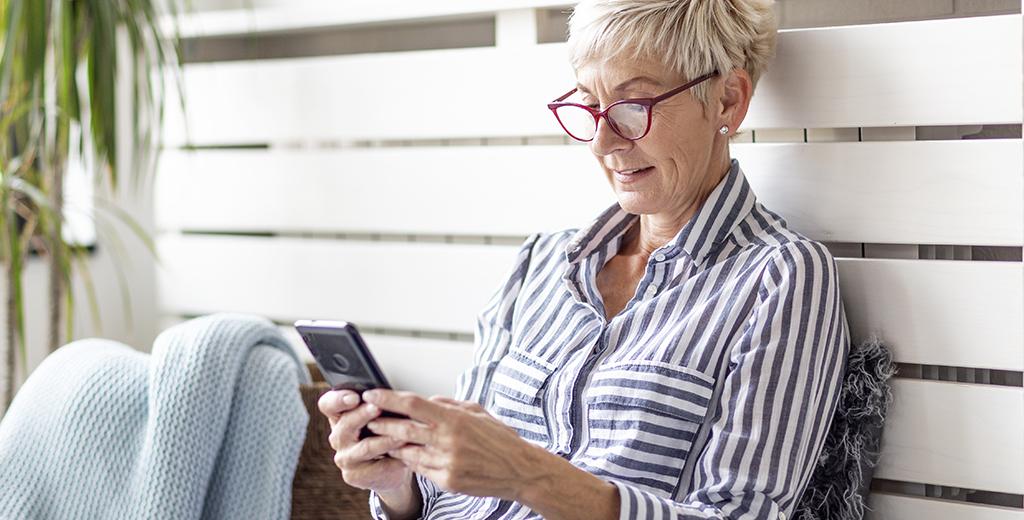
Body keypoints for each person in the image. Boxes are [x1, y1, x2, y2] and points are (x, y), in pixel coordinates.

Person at [318, 0, 851, 518]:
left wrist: (528, 473)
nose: (602, 141)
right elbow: (454, 493)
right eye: (590, 107)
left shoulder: (778, 278)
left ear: (728, 101)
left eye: (631, 108)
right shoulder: (542, 262)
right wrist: (399, 485)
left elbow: (739, 514)